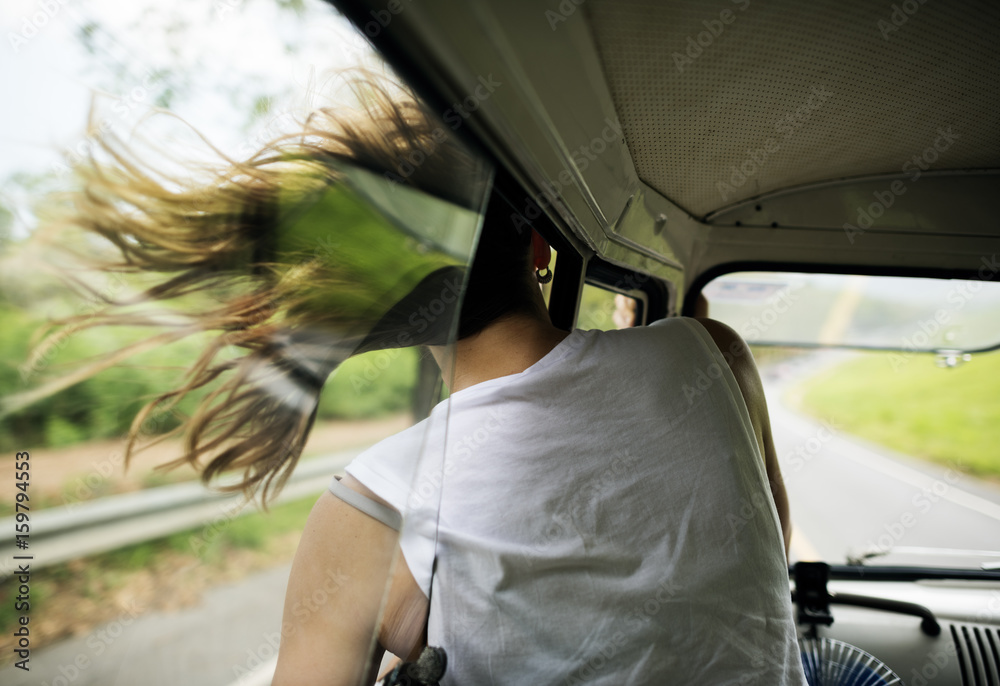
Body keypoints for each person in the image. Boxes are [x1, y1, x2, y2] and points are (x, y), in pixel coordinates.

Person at [26, 79, 803, 685]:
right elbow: (763, 550)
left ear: (389, 314)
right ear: (539, 248)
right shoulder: (711, 353)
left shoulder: (372, 504)